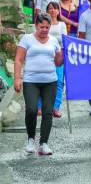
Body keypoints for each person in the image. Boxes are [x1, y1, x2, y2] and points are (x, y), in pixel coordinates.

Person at [14, 13, 63, 155]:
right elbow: (18, 59)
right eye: (42, 27)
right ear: (36, 25)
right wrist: (18, 78)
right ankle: (30, 139)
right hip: (31, 81)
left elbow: (58, 62)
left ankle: (44, 143)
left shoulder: (54, 41)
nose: (45, 30)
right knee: (32, 110)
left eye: (47, 27)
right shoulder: (27, 39)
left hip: (50, 81)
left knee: (48, 112)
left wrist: (63, 55)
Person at [38, 2, 67, 118]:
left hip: (59, 55)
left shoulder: (62, 24)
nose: (53, 11)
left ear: (58, 11)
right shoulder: (43, 24)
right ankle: (40, 107)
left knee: (59, 82)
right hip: (45, 55)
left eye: (55, 8)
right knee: (41, 81)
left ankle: (56, 107)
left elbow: (64, 39)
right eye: (50, 9)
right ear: (46, 11)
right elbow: (40, 35)